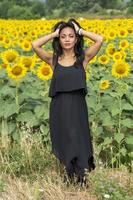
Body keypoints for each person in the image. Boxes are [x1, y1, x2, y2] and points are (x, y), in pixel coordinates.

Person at [32, 18, 104, 187]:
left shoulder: (83, 58)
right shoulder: (53, 60)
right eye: (63, 36)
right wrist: (53, 34)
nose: (67, 39)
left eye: (71, 36)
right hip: (59, 106)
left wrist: (80, 30)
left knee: (79, 139)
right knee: (64, 140)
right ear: (59, 39)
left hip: (78, 106)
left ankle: (81, 178)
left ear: (76, 39)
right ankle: (69, 175)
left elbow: (100, 39)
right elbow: (35, 45)